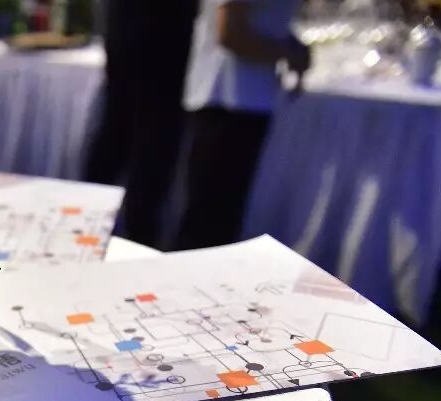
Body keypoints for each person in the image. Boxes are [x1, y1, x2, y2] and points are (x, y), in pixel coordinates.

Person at [174, 0, 311, 250]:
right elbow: (231, 34)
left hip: (241, 99)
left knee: (218, 223)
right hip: (227, 100)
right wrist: (288, 52)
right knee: (207, 227)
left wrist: (291, 45)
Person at [83, 0, 199, 249]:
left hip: (127, 25)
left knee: (118, 131)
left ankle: (87, 224)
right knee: (150, 141)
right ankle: (138, 237)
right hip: (160, 32)